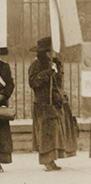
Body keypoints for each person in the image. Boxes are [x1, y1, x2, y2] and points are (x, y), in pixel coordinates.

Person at [28, 36, 78, 171]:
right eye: (49, 52)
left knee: (55, 131)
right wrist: (47, 73)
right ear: (42, 52)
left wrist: (62, 94)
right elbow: (33, 82)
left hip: (56, 102)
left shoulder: (56, 64)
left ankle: (53, 159)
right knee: (46, 132)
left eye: (52, 51)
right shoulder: (36, 65)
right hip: (43, 103)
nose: (52, 54)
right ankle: (46, 160)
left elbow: (58, 83)